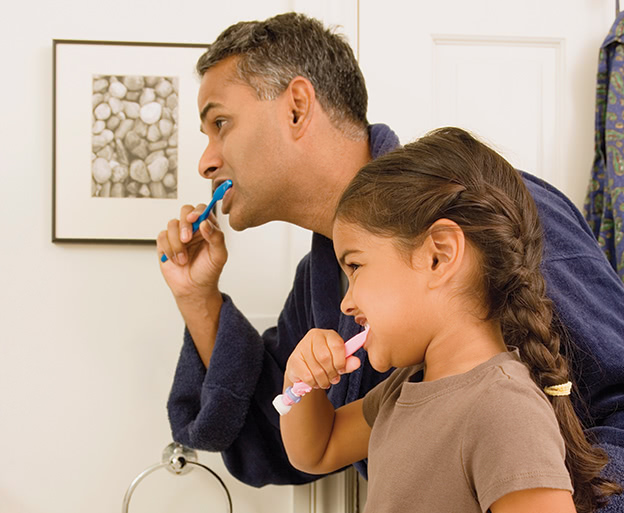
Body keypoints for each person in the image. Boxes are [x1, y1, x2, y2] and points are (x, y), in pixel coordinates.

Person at [157, 12, 624, 506]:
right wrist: (198, 298)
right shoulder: (326, 296)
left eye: (220, 123)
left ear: (295, 107)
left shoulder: (488, 212)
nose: (205, 161)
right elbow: (282, 438)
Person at [279, 127, 622, 513]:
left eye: (356, 266)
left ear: (438, 256)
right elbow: (317, 449)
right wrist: (301, 381)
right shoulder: (403, 389)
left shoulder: (505, 410)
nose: (346, 302)